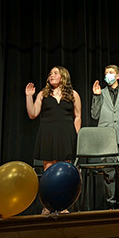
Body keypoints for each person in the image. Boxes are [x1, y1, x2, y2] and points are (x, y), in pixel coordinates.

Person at [26, 66, 82, 214]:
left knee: (65, 171)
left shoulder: (73, 94)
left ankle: (63, 205)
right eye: (50, 73)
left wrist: (77, 136)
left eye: (55, 73)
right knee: (49, 170)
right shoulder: (43, 94)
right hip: (48, 133)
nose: (51, 75)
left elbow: (78, 116)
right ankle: (48, 205)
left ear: (63, 76)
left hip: (66, 133)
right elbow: (32, 114)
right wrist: (28, 96)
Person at [91, 64, 119, 209]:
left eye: (111, 72)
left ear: (118, 75)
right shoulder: (101, 93)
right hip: (105, 137)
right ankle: (111, 203)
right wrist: (96, 96)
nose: (107, 75)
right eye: (106, 73)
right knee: (108, 171)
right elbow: (94, 115)